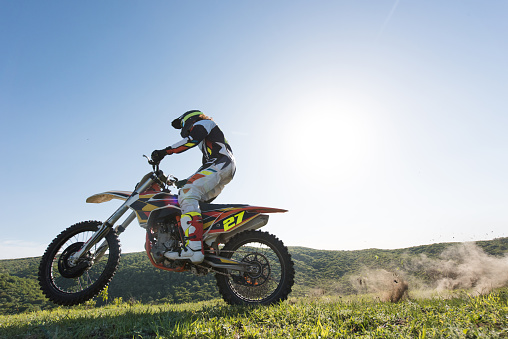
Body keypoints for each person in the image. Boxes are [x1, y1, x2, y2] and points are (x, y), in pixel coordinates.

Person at [151, 110, 236, 264]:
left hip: (221, 164)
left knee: (187, 194)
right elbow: (205, 167)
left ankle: (194, 249)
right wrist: (185, 180)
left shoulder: (204, 123)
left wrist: (164, 152)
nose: (184, 128)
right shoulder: (208, 141)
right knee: (195, 202)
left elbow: (191, 140)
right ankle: (207, 244)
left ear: (190, 119)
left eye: (183, 124)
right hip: (223, 167)